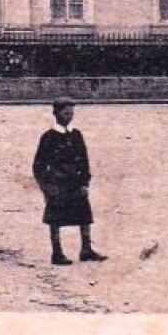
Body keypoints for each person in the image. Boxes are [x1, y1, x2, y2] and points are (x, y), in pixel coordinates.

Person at [32, 97, 106, 266]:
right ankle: (57, 253)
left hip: (76, 183)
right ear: (56, 114)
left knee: (85, 217)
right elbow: (38, 166)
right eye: (66, 113)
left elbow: (84, 161)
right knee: (55, 219)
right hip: (58, 184)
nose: (69, 116)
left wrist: (85, 182)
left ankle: (86, 249)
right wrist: (48, 187)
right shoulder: (48, 137)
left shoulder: (76, 135)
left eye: (71, 113)